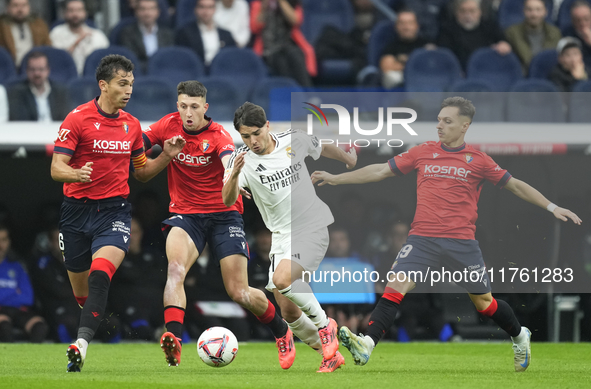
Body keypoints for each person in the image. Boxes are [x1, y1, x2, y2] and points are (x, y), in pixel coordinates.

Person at [311, 96, 582, 372]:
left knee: (484, 304)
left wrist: (552, 206)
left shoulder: (479, 160)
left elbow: (516, 186)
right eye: (439, 119)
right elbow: (380, 170)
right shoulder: (422, 151)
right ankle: (366, 344)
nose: (440, 125)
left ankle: (519, 335)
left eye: (447, 121)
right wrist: (336, 178)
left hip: (461, 243)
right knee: (395, 285)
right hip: (422, 239)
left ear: (465, 126)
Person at [140, 81, 294, 369]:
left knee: (240, 292)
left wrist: (234, 176)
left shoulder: (219, 135)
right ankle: (173, 339)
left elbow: (228, 160)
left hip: (225, 215)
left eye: (195, 107)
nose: (188, 113)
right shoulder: (166, 125)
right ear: (177, 106)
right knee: (175, 269)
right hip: (186, 215)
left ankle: (281, 331)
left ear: (205, 108)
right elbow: (138, 145)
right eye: (183, 106)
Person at [50, 54, 185, 372]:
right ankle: (96, 323)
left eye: (131, 85)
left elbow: (141, 172)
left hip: (114, 211)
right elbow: (57, 168)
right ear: (103, 84)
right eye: (122, 84)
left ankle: (80, 345)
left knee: (101, 274)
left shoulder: (131, 124)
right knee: (83, 294)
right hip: (75, 213)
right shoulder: (77, 119)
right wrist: (76, 174)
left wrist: (166, 155)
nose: (128, 90)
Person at [222, 102, 358, 372]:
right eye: (245, 136)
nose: (252, 141)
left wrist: (348, 159)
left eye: (256, 133)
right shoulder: (241, 160)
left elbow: (321, 146)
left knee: (283, 279)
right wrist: (235, 174)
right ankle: (329, 354)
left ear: (267, 126)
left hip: (312, 225)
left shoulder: (293, 139)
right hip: (282, 236)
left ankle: (325, 327)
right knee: (289, 311)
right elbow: (227, 200)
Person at [250, 0, 315, 86]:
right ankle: (291, 95)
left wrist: (281, 0)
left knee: (296, 55)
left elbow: (296, 21)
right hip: (269, 48)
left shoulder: (293, 2)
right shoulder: (258, 4)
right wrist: (265, 4)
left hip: (287, 44)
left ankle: (309, 94)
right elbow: (255, 27)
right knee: (281, 62)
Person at [0, 223, 49, 343]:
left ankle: (32, 360)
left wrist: (4, 293)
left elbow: (28, 297)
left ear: (9, 242)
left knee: (40, 326)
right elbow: (19, 294)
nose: (0, 245)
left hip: (18, 310)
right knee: (4, 326)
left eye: (3, 240)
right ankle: (7, 359)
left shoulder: (17, 267)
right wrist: (14, 291)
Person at [438, 0, 511, 70]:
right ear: (456, 12)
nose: (467, 15)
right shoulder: (447, 30)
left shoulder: (490, 26)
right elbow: (446, 58)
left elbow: (503, 42)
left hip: (487, 70)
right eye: (462, 11)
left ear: (480, 12)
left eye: (472, 11)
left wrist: (503, 44)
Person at [50, 0, 109, 75]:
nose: (75, 14)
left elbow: (106, 62)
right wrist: (78, 41)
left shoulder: (97, 35)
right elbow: (56, 61)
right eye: (71, 10)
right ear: (64, 13)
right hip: (64, 78)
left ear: (85, 13)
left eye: (79, 10)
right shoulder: (56, 33)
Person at [7, 51, 69, 121]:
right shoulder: (17, 93)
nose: (36, 73)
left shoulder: (60, 92)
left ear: (48, 70)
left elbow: (65, 120)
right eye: (32, 70)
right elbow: (20, 121)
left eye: (41, 69)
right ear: (26, 71)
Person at [175, 0, 235, 67]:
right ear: (195, 9)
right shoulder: (185, 33)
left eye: (210, 7)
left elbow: (231, 58)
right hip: (195, 72)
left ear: (215, 9)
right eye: (202, 7)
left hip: (221, 72)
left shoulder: (226, 35)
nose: (206, 11)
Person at [504, 0, 561, 71]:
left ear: (545, 12)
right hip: (522, 74)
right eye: (529, 10)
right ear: (523, 11)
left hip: (548, 74)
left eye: (538, 10)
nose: (534, 14)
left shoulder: (555, 32)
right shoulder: (512, 32)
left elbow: (548, 59)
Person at [119, 0, 174, 73]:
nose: (147, 13)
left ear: (158, 12)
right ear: (136, 12)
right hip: (137, 74)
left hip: (164, 73)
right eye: (143, 9)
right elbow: (130, 60)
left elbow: (169, 58)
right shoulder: (127, 33)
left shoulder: (168, 34)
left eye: (151, 9)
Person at [379, 9, 430, 89]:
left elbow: (431, 67)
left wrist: (403, 62)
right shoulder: (391, 46)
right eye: (402, 23)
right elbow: (387, 67)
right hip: (401, 81)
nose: (406, 27)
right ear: (396, 26)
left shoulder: (426, 45)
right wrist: (416, 64)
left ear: (417, 25)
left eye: (410, 23)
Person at [0, 0, 51, 66]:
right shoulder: (2, 26)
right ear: (8, 7)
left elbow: (48, 47)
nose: (20, 9)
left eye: (24, 5)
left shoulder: (39, 24)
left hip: (35, 68)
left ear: (29, 7)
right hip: (10, 67)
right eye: (15, 5)